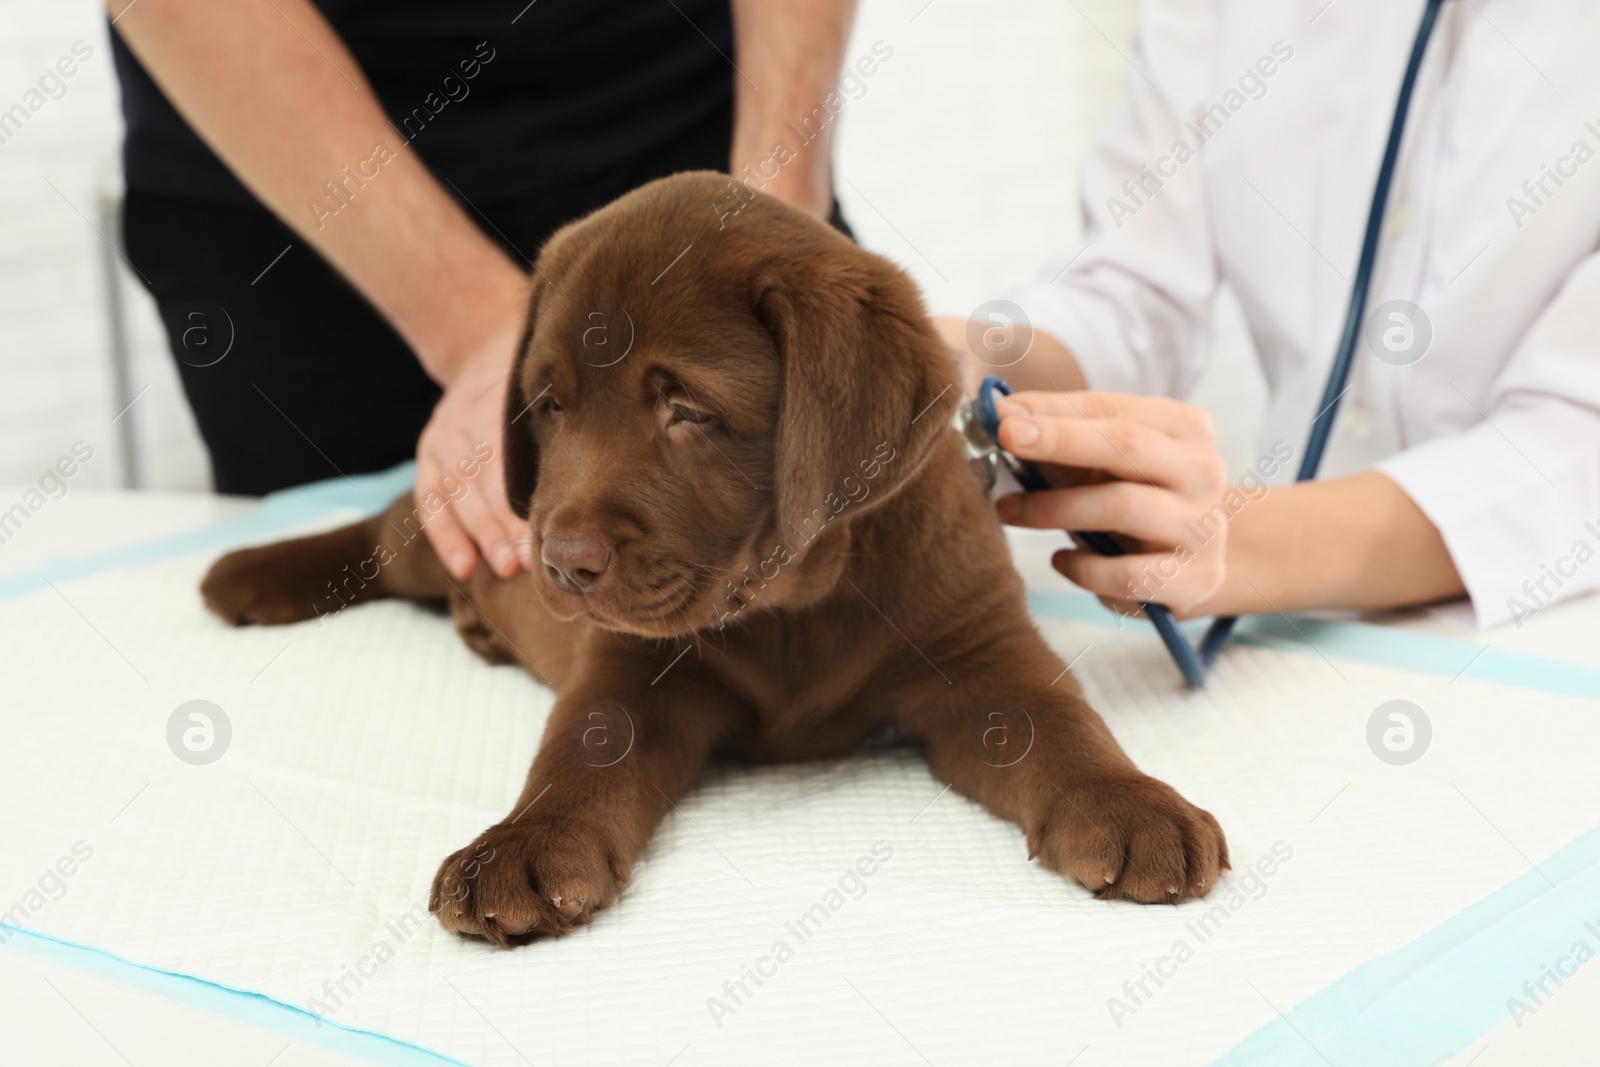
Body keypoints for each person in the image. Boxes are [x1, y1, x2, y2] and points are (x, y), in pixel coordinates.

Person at [109, 0, 855, 583]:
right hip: (292, 166)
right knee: (354, 623)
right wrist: (475, 327)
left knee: (824, 572)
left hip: (686, 118)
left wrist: (774, 225)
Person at [944, 0, 1600, 629]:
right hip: (1275, 634)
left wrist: (1244, 543)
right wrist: (957, 359)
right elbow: (1134, 287)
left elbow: (1578, 440)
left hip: (1538, 631)